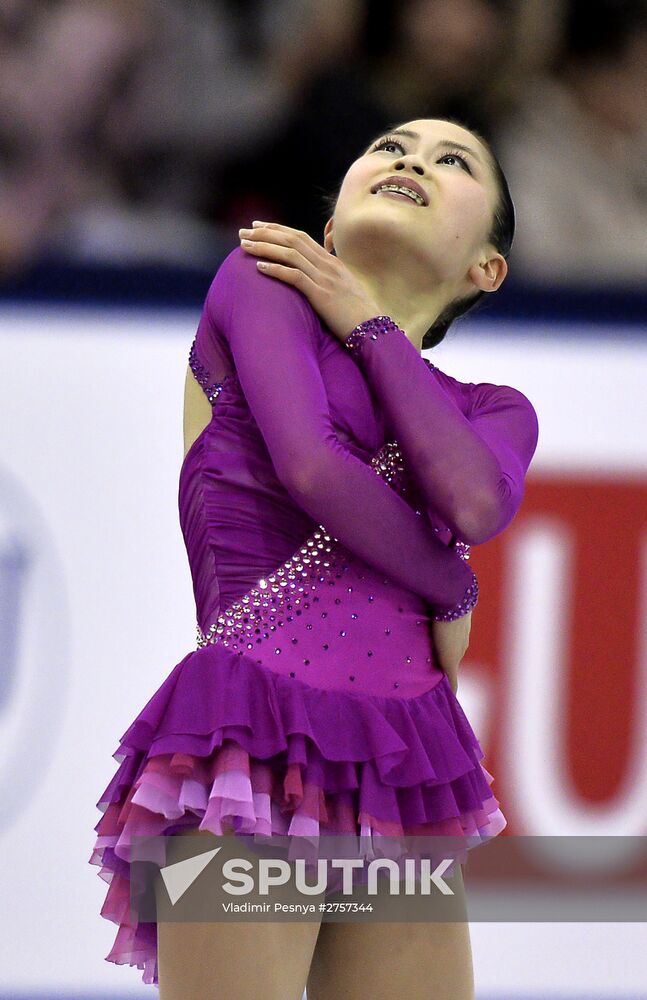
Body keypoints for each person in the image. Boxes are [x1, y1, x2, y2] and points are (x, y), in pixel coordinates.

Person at [89, 116, 539, 999]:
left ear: (485, 269)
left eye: (452, 162)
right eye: (389, 146)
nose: (410, 159)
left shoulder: (494, 409)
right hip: (246, 741)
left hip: (405, 762)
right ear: (329, 226)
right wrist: (449, 588)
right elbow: (310, 466)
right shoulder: (264, 281)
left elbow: (474, 501)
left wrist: (370, 324)